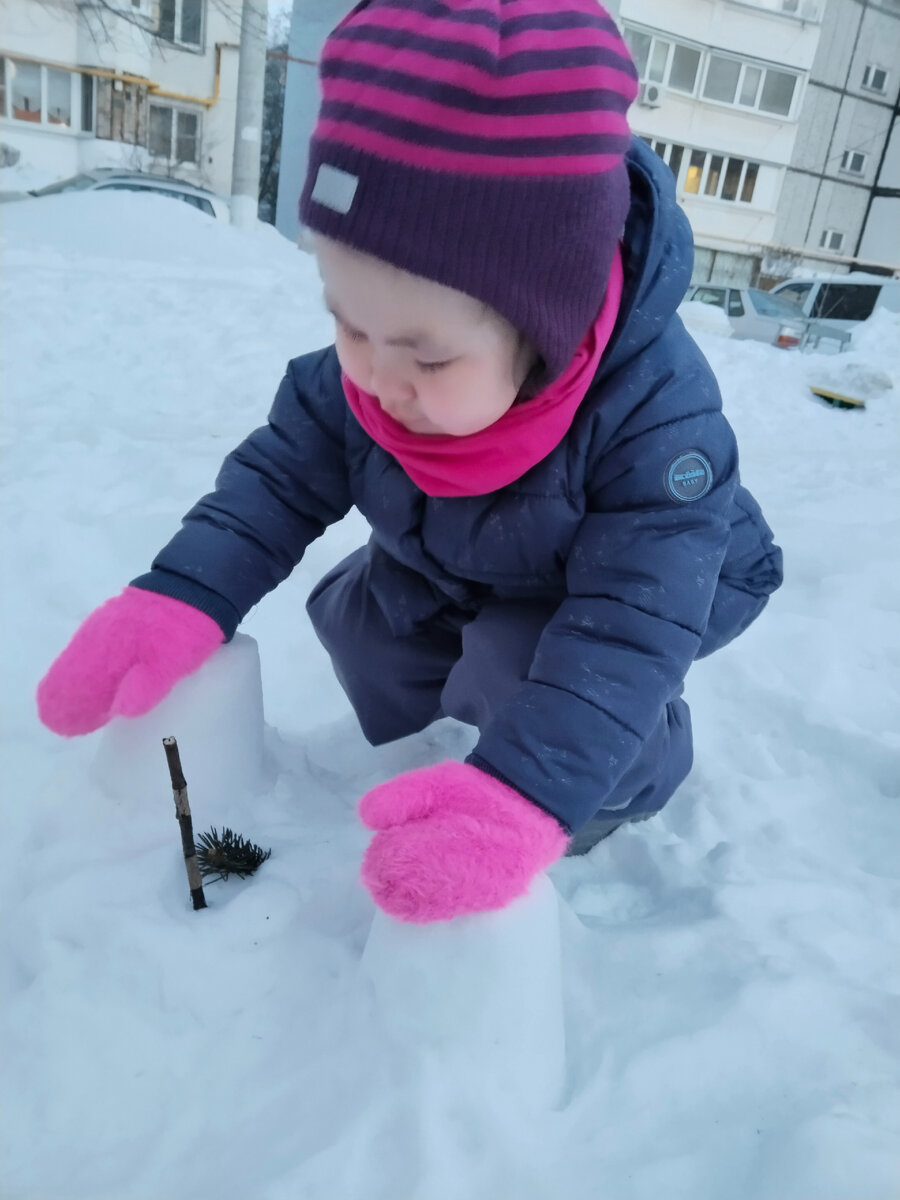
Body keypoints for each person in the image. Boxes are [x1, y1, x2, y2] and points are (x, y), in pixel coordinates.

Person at [37, 0, 783, 923]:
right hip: (484, 548)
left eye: (426, 356)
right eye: (347, 322)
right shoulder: (368, 376)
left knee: (527, 663)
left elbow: (628, 629)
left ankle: (606, 782)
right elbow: (267, 491)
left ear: (542, 329)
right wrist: (177, 601)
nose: (377, 376)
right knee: (363, 618)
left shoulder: (658, 427)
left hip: (647, 591)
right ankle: (456, 748)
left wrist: (522, 801)